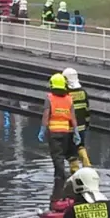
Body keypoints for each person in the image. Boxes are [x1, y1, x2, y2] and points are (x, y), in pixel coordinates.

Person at [38, 73, 80, 210]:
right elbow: (73, 116)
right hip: (67, 133)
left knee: (58, 159)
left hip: (54, 133)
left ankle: (59, 184)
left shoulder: (49, 98)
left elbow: (46, 114)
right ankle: (67, 184)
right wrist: (76, 131)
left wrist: (43, 129)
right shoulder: (69, 99)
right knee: (66, 157)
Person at [63, 67, 91, 167]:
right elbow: (87, 110)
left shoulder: (66, 93)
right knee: (80, 146)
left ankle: (74, 170)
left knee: (70, 152)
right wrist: (87, 124)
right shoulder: (83, 92)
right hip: (81, 126)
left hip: (69, 127)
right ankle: (87, 164)